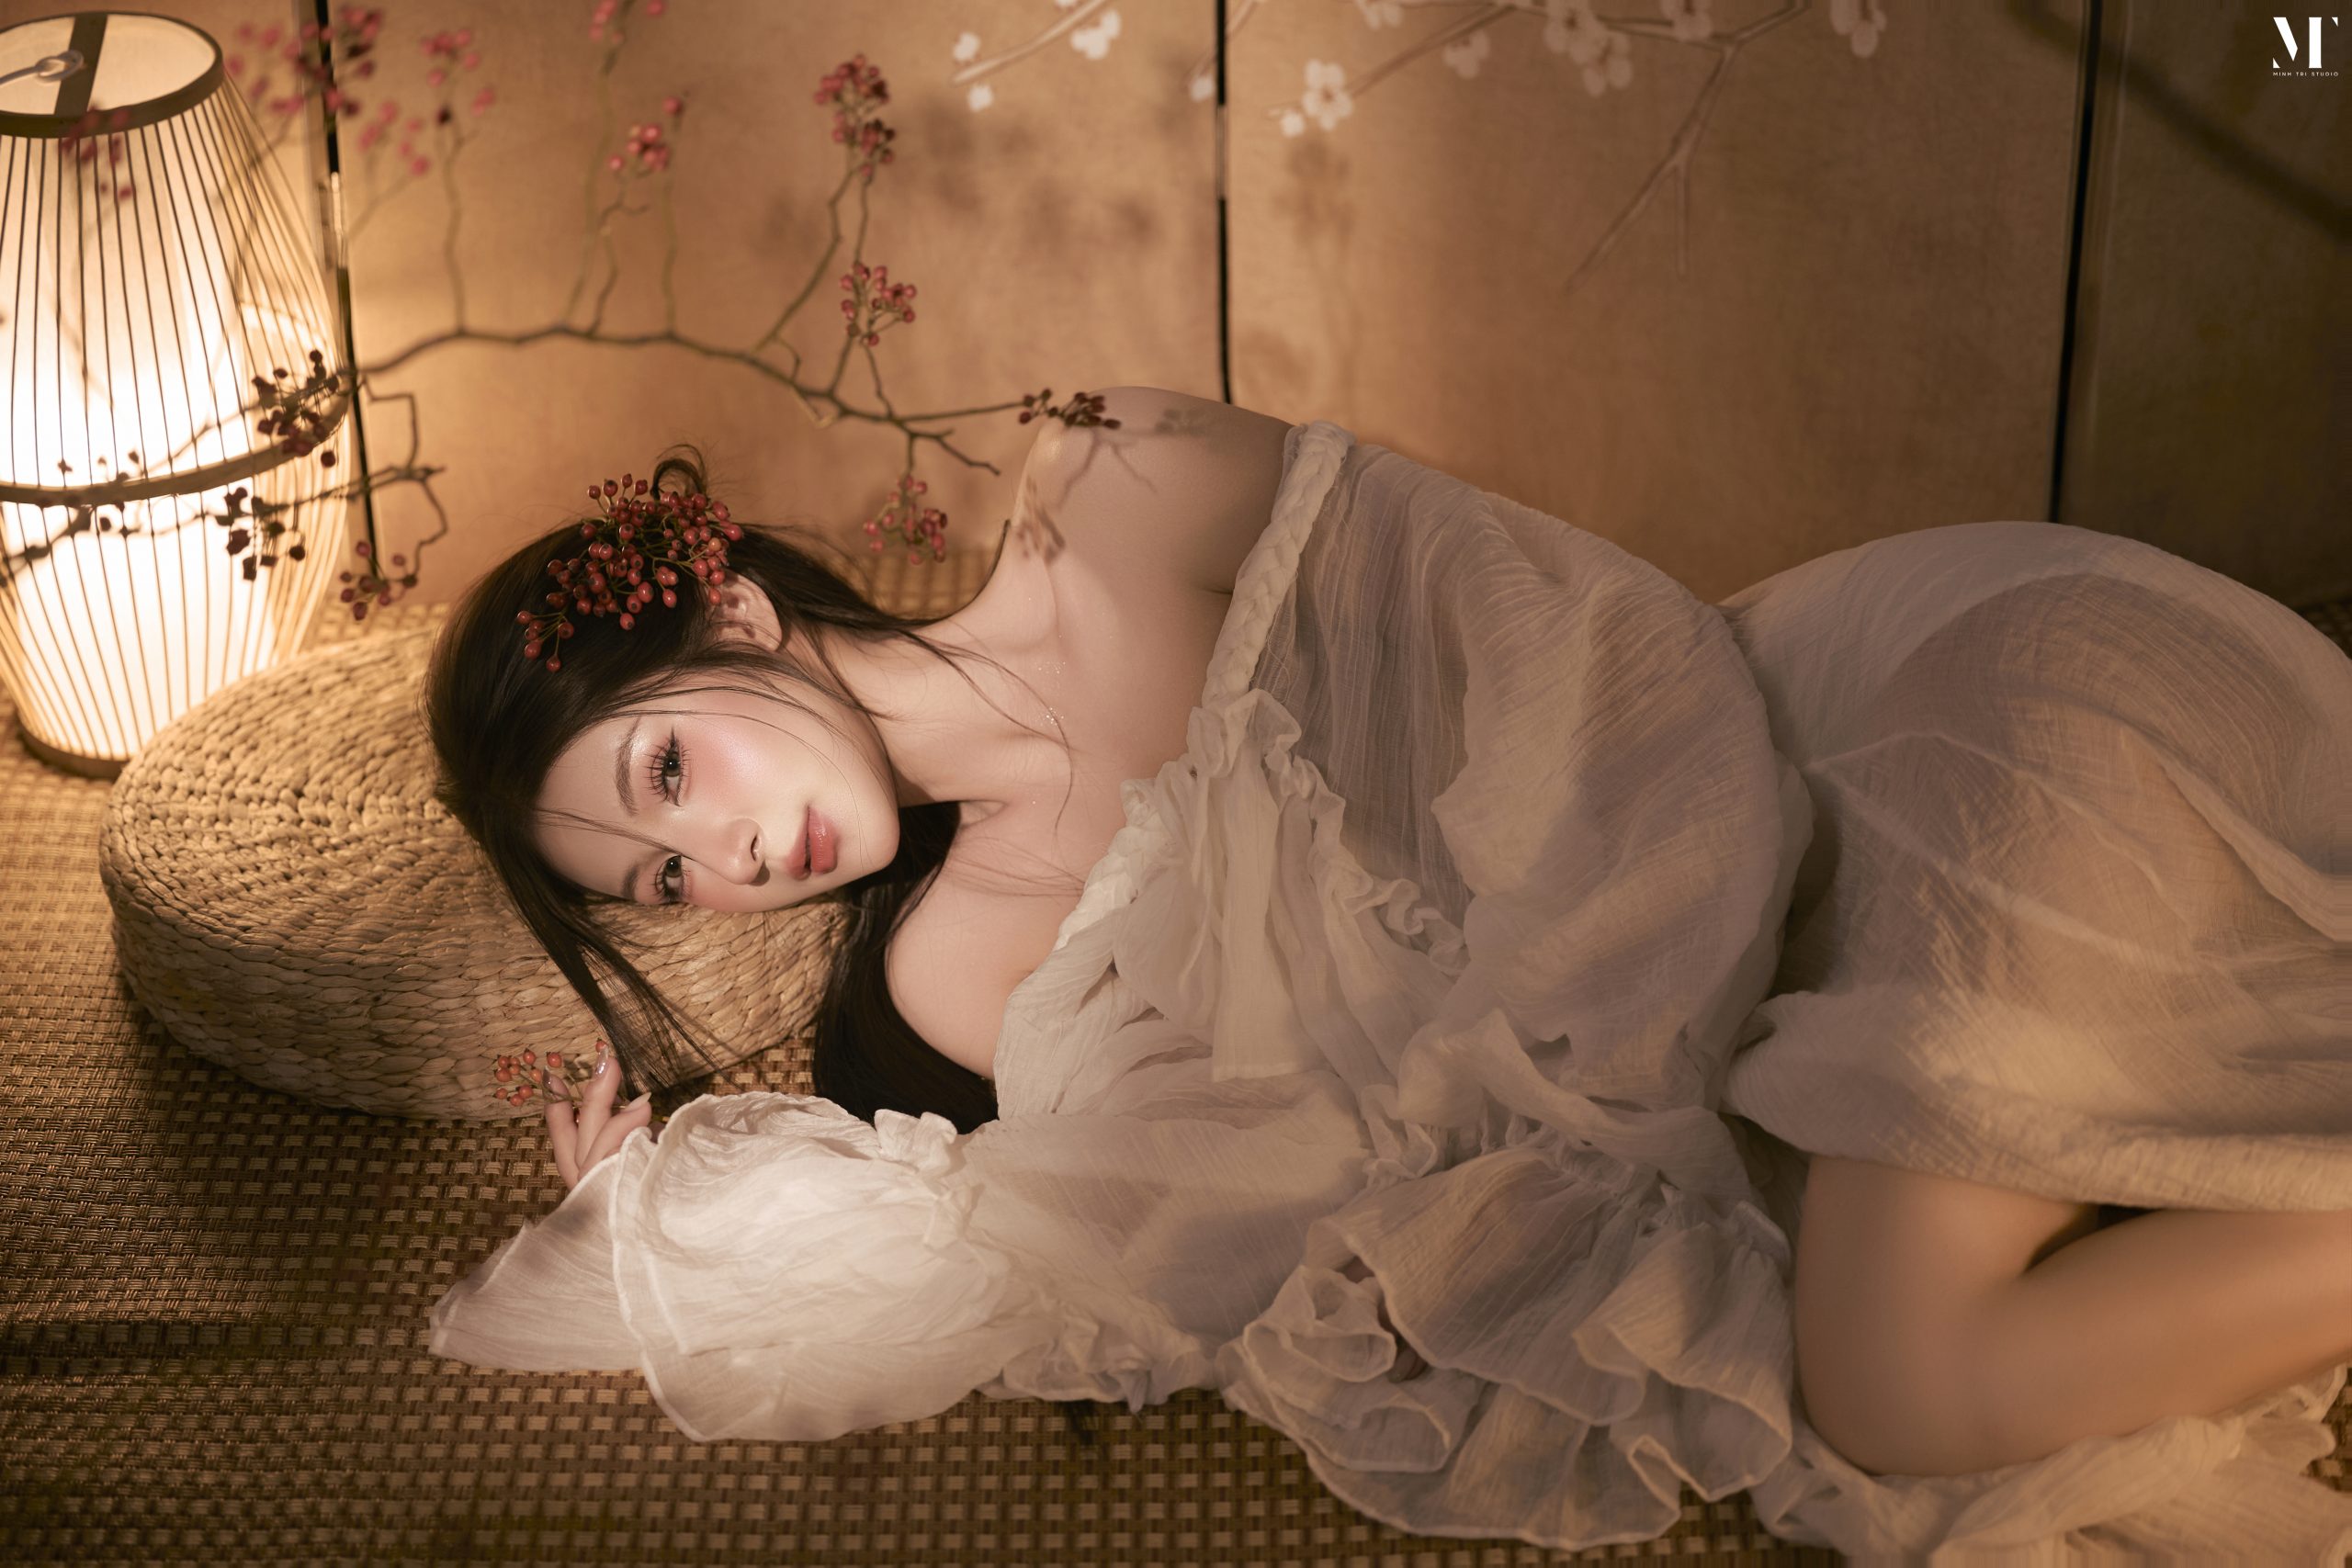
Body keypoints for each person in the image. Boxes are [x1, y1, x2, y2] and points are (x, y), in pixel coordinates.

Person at [425, 388, 2352, 1559]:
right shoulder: (950, 976)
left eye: (667, 771)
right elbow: (1123, 1229)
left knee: (1897, 1382)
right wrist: (665, 1229)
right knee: (1908, 1374)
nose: (729, 862)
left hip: (1922, 720)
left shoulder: (1122, 487)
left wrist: (1588, 1073)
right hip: (1807, 975)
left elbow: (1614, 663)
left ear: (730, 607)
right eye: (664, 877)